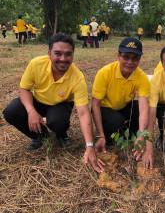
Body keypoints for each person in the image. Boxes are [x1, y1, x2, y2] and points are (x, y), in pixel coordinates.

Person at [3, 33, 104, 173]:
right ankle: (40, 135)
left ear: (73, 55)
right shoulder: (36, 64)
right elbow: (24, 89)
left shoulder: (78, 77)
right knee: (11, 111)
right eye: (58, 53)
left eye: (68, 54)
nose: (63, 59)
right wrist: (31, 111)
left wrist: (89, 145)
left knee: (58, 122)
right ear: (49, 54)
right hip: (38, 101)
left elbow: (83, 112)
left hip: (61, 104)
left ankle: (61, 133)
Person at [91, 37, 153, 169]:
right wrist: (100, 134)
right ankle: (109, 138)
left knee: (137, 109)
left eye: (135, 58)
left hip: (123, 106)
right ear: (118, 55)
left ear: (140, 59)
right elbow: (95, 105)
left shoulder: (141, 77)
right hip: (105, 108)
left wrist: (142, 135)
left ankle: (133, 138)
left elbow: (143, 106)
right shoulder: (105, 73)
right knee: (116, 121)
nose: (130, 62)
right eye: (126, 57)